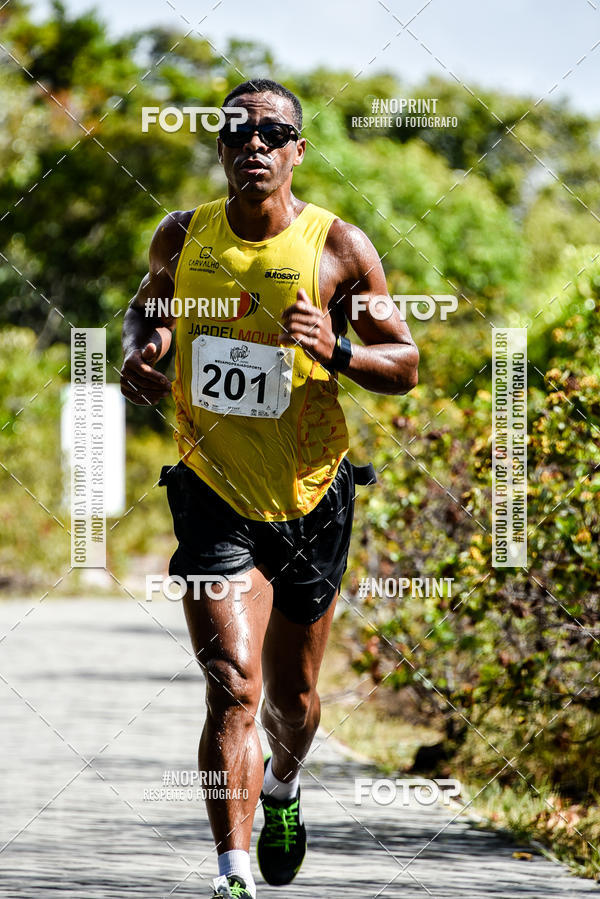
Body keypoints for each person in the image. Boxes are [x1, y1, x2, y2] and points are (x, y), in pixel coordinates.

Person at [120, 78, 418, 899]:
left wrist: (341, 352)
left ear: (297, 151)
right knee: (234, 682)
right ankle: (234, 873)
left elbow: (406, 363)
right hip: (211, 486)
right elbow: (147, 316)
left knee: (293, 699)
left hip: (312, 496)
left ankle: (284, 785)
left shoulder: (340, 249)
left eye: (272, 132)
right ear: (219, 148)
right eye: (237, 131)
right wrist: (142, 353)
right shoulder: (180, 237)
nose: (254, 142)